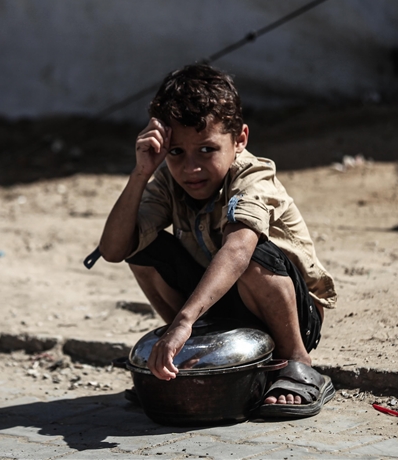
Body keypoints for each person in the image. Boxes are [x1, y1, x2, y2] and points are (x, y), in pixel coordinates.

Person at [98, 64, 337, 418]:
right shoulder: (167, 180)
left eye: (207, 150)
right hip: (219, 305)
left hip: (293, 314)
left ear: (239, 139)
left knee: (250, 254)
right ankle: (188, 352)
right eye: (176, 152)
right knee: (142, 249)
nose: (190, 168)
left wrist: (182, 322)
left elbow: (238, 251)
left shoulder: (253, 176)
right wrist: (141, 172)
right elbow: (113, 249)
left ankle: (298, 364)